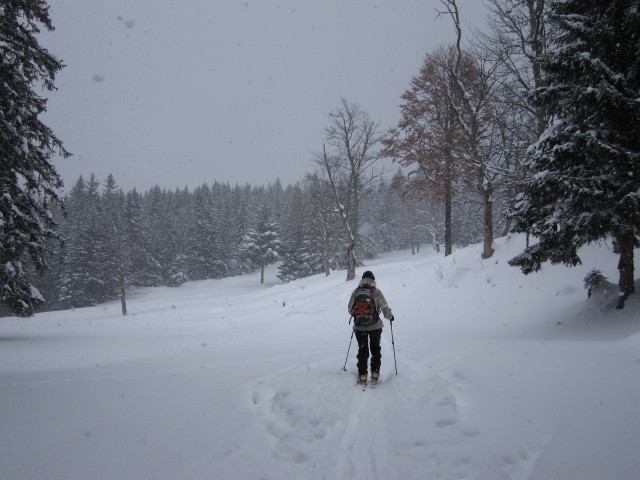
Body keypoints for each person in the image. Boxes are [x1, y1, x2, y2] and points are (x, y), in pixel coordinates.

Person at [347, 270, 394, 385]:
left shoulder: (356, 292)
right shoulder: (376, 292)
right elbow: (385, 308)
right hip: (375, 327)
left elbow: (350, 309)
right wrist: (390, 317)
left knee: (362, 351)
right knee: (375, 350)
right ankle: (374, 374)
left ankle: (362, 376)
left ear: (362, 279)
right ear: (373, 279)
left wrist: (359, 316)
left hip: (359, 328)